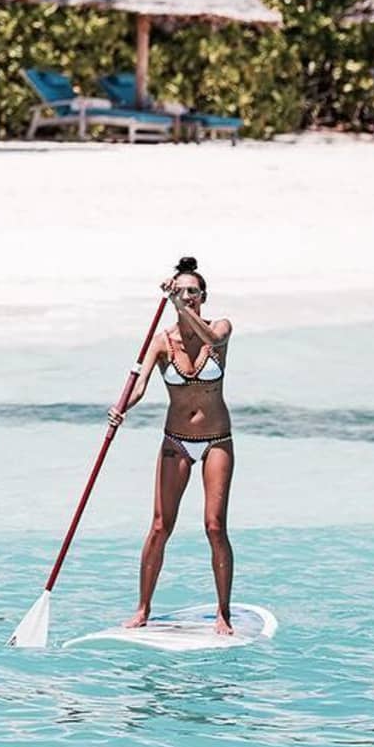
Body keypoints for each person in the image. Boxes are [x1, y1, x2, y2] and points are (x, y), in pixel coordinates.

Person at [108, 256, 236, 635]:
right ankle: (143, 608)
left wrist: (181, 308)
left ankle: (223, 613)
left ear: (203, 296)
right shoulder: (162, 341)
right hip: (176, 441)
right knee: (161, 526)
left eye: (193, 292)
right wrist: (120, 409)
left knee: (215, 527)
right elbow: (140, 385)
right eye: (180, 292)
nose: (187, 297)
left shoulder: (221, 328)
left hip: (217, 440)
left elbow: (213, 339)